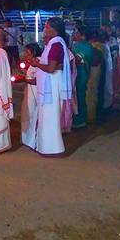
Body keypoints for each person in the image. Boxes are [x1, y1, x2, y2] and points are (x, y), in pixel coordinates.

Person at [28, 17, 72, 156]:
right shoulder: (57, 43)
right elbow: (58, 65)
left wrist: (37, 64)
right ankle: (48, 147)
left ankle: (52, 149)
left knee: (50, 117)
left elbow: (51, 68)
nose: (44, 30)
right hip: (52, 83)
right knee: (49, 117)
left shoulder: (56, 44)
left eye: (47, 27)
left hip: (51, 85)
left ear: (54, 29)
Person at [71, 23, 94, 130]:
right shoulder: (77, 45)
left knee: (79, 96)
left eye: (77, 33)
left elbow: (79, 59)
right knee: (76, 96)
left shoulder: (87, 47)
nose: (75, 34)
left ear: (83, 35)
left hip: (81, 74)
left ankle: (80, 120)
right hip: (76, 74)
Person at [19, 43, 41, 151]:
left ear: (34, 52)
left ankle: (34, 141)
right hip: (29, 96)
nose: (25, 54)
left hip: (35, 96)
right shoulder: (32, 63)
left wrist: (23, 79)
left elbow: (37, 80)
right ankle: (28, 139)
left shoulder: (38, 62)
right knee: (28, 115)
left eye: (27, 52)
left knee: (33, 116)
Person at [85, 29, 104, 124]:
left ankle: (91, 116)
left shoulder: (97, 46)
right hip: (93, 71)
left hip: (93, 71)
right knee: (91, 92)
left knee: (91, 92)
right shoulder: (96, 46)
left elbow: (96, 61)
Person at [98, 26, 115, 109]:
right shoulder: (103, 45)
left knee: (107, 86)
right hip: (106, 68)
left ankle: (108, 104)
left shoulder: (103, 46)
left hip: (107, 68)